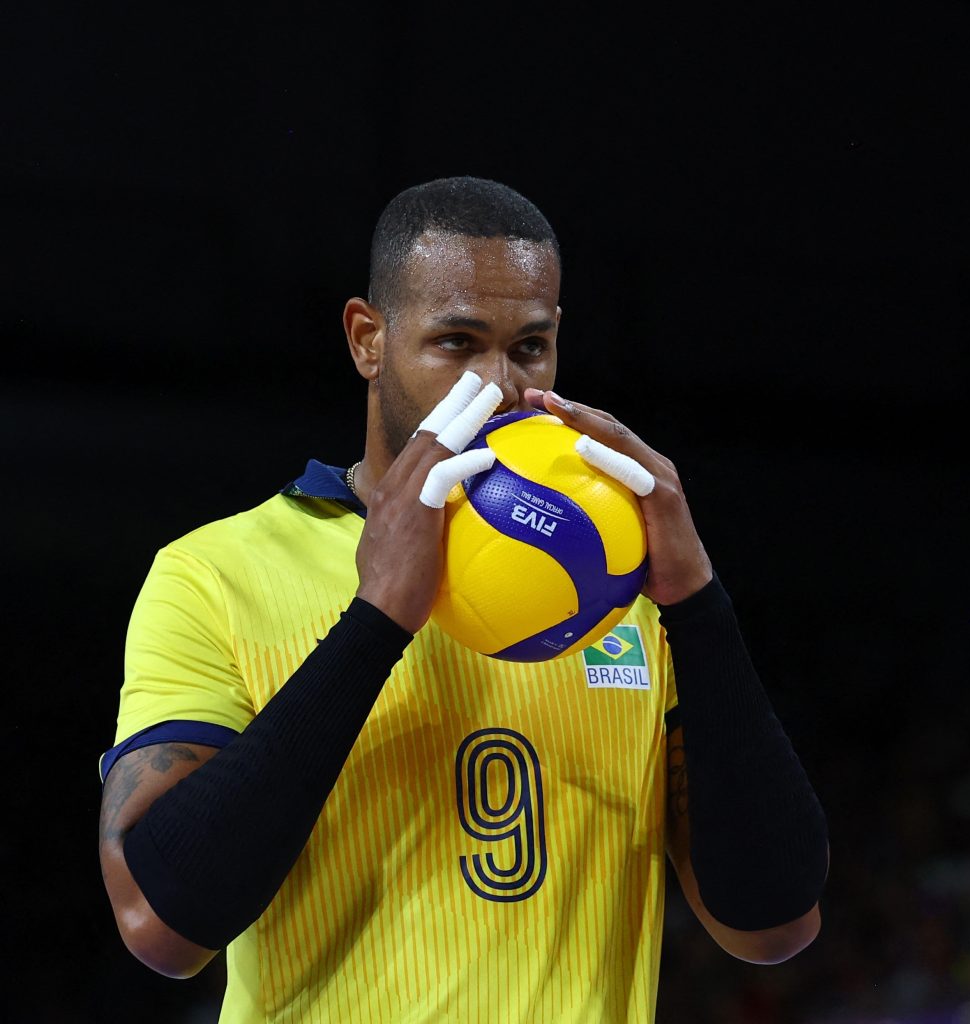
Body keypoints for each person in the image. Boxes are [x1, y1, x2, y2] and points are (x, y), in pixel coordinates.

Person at [98, 175, 829, 1023]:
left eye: (530, 347)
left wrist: (698, 605)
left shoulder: (613, 586)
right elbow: (161, 926)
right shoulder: (214, 572)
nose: (500, 384)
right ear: (368, 339)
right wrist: (375, 622)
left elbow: (773, 926)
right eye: (457, 342)